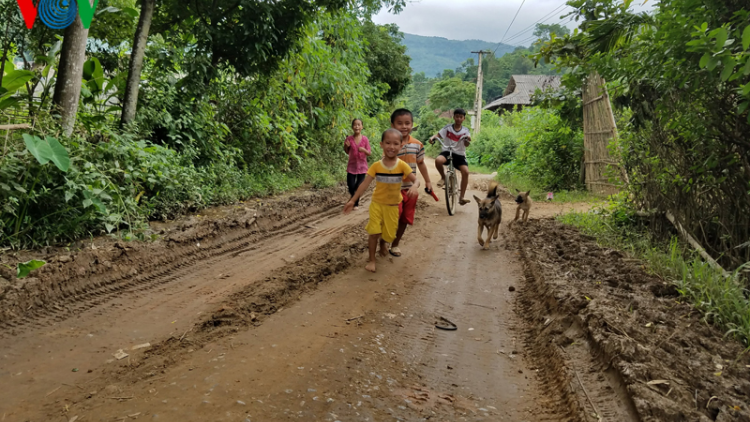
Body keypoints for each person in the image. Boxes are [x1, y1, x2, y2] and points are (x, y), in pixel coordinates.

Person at [344, 129, 417, 273]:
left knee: (389, 235)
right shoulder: (376, 166)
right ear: (381, 144)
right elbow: (364, 184)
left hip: (393, 206)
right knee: (373, 232)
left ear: (400, 146)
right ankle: (372, 260)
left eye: (396, 144)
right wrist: (353, 200)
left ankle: (384, 242)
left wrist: (415, 186)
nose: (391, 147)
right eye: (388, 143)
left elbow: (416, 180)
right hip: (377, 204)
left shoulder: (402, 165)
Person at [388, 108, 431, 257]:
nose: (404, 126)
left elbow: (421, 164)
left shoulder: (417, 145)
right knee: (395, 215)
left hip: (411, 189)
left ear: (412, 124)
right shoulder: (391, 145)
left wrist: (428, 182)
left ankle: (395, 244)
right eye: (400, 123)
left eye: (407, 123)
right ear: (392, 124)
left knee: (406, 217)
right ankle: (384, 239)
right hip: (394, 189)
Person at [430, 108, 472, 206]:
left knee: (466, 172)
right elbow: (438, 135)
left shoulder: (466, 130)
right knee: (438, 160)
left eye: (461, 117)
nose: (458, 119)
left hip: (460, 155)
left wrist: (467, 140)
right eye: (457, 116)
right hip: (447, 151)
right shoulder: (447, 128)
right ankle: (443, 177)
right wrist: (433, 138)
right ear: (454, 117)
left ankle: (461, 197)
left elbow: (467, 144)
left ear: (464, 119)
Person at [344, 118, 371, 210]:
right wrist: (346, 146)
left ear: (362, 127)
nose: (357, 126)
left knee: (359, 186)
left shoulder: (365, 139)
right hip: (352, 166)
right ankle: (353, 198)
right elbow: (347, 152)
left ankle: (355, 204)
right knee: (351, 186)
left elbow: (369, 153)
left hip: (362, 167)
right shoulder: (349, 139)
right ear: (352, 127)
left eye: (359, 125)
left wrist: (363, 150)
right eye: (355, 125)